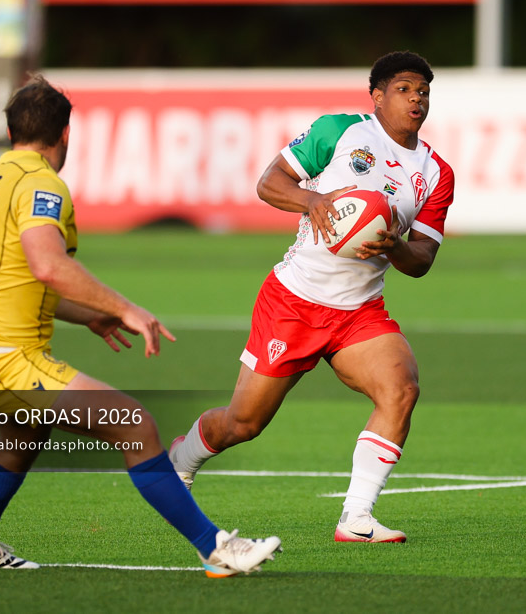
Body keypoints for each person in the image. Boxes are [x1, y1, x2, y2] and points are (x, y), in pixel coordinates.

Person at [0, 76, 280, 577]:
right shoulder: (41, 183)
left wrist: (89, 314)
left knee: (21, 437)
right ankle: (216, 550)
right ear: (65, 134)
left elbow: (15, 278)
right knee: (134, 424)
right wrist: (125, 308)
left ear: (12, 131)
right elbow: (48, 265)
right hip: (2, 358)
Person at [168, 51, 455, 543]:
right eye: (405, 89)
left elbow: (423, 258)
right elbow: (269, 183)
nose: (417, 99)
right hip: (295, 301)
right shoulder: (339, 131)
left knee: (401, 389)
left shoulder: (435, 172)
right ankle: (180, 459)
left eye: (424, 91)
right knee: (243, 424)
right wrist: (313, 200)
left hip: (360, 312)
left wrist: (395, 246)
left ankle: (356, 518)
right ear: (377, 96)